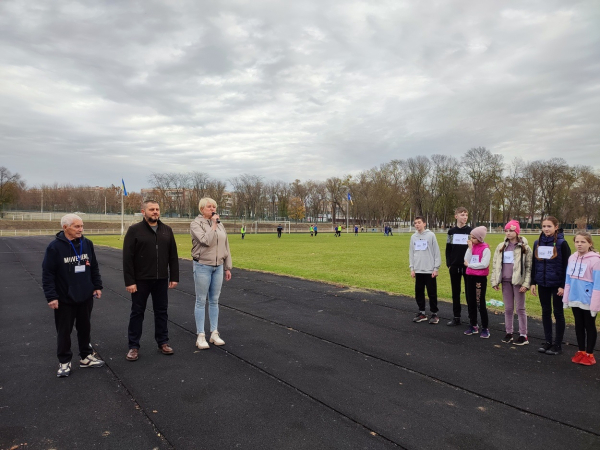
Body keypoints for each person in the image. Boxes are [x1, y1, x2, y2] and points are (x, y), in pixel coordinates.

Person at [42, 213, 104, 377]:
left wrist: (97, 286)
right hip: (64, 298)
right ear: (65, 227)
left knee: (85, 328)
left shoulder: (87, 244)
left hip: (85, 295)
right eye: (77, 226)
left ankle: (86, 356)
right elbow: (48, 274)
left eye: (82, 226)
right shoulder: (54, 247)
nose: (81, 229)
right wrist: (51, 296)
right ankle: (64, 362)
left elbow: (94, 267)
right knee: (64, 331)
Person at [123, 200, 179, 361]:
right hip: (140, 280)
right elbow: (127, 258)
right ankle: (133, 346)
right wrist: (129, 281)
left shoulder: (167, 230)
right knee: (137, 312)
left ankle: (163, 342)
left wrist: (174, 276)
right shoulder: (135, 230)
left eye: (157, 209)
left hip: (161, 279)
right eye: (151, 209)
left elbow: (173, 256)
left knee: (161, 312)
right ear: (143, 211)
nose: (155, 212)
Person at [190, 198, 233, 349]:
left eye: (214, 206)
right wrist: (214, 225)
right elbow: (205, 240)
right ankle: (200, 335)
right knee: (201, 300)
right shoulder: (196, 224)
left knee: (214, 300)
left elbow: (225, 245)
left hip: (218, 266)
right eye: (209, 206)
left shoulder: (221, 226)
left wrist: (228, 267)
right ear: (202, 209)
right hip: (203, 265)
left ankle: (214, 332)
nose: (212, 208)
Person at [530, 216, 571, 355]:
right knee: (545, 312)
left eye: (549, 226)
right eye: (544, 226)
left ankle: (557, 344)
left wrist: (563, 285)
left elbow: (567, 266)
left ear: (556, 227)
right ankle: (548, 341)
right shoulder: (537, 243)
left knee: (558, 313)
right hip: (542, 283)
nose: (546, 229)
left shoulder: (562, 243)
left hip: (557, 284)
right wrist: (533, 282)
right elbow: (534, 264)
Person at [491, 220, 533, 345]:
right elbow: (495, 265)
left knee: (520, 308)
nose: (508, 233)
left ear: (517, 231)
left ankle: (523, 335)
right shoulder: (501, 247)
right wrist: (495, 280)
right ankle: (509, 332)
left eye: (511, 231)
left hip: (518, 282)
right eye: (506, 231)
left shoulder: (525, 248)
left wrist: (526, 284)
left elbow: (528, 267)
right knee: (508, 308)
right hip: (505, 281)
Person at [563, 231, 600, 366]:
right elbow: (568, 279)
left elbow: (597, 284)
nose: (579, 244)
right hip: (575, 297)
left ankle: (590, 353)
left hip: (588, 300)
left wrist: (595, 305)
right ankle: (581, 351)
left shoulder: (596, 260)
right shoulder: (572, 258)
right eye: (577, 241)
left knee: (589, 325)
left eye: (583, 242)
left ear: (590, 244)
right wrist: (566, 298)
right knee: (578, 325)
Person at [409, 216, 441, 324]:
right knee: (419, 292)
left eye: (419, 222)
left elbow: (436, 252)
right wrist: (412, 268)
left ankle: (434, 314)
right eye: (415, 223)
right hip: (418, 269)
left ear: (424, 224)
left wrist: (436, 268)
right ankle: (422, 312)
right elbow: (411, 253)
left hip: (429, 270)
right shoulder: (413, 237)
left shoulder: (431, 235)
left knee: (432, 292)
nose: (417, 224)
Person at [445, 207, 472, 326]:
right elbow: (448, 249)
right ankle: (456, 317)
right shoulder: (451, 232)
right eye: (462, 215)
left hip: (467, 266)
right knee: (455, 292)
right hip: (454, 266)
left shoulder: (471, 232)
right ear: (456, 216)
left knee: (469, 293)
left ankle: (472, 319)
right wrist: (449, 264)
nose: (465, 217)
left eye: (466, 215)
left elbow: (474, 249)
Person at [464, 226, 491, 338]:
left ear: (480, 238)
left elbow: (484, 264)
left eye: (474, 238)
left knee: (480, 302)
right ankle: (473, 324)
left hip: (479, 278)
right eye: (471, 237)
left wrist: (470, 265)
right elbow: (466, 259)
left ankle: (485, 327)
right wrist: (470, 249)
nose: (471, 240)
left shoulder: (485, 249)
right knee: (471, 302)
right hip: (470, 277)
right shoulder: (471, 247)